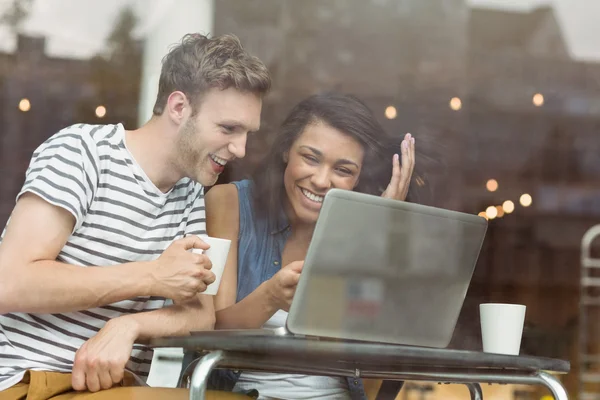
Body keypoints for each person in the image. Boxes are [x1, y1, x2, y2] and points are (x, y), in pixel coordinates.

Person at [0, 33, 271, 400]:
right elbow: (10, 282)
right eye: (228, 129)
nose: (240, 149)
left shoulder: (189, 192)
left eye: (247, 133)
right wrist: (152, 275)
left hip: (115, 388)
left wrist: (129, 325)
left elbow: (200, 313)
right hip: (30, 381)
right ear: (179, 108)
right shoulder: (83, 152)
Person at [204, 92, 416, 400]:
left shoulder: (362, 233)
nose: (321, 180)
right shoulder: (230, 204)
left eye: (343, 170)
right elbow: (211, 331)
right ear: (286, 151)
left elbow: (375, 367)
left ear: (357, 179)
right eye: (311, 158)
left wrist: (373, 235)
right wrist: (270, 297)